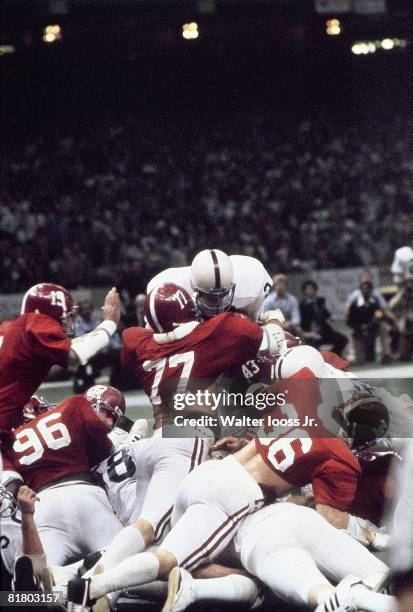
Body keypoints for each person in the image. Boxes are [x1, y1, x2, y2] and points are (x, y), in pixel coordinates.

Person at [166, 502, 394, 612]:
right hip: (299, 516)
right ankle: (361, 594)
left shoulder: (179, 531)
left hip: (260, 539)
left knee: (323, 595)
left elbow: (217, 574)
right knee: (387, 580)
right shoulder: (230, 478)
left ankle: (352, 595)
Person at [2, 385, 125, 565]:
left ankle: (68, 578)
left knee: (35, 585)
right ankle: (87, 570)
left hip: (40, 506)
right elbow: (107, 456)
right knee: (132, 560)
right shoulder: (75, 405)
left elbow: (12, 487)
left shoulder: (6, 439)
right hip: (86, 496)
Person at [0, 283, 120, 431]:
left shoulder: (10, 329)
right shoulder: (35, 322)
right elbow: (74, 354)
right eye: (67, 317)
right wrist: (110, 324)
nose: (70, 322)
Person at [147, 249, 273, 321]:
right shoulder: (167, 289)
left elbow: (254, 325)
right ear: (194, 289)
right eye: (209, 297)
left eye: (223, 294)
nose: (217, 303)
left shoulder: (251, 279)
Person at [346, 272, 393, 365]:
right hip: (358, 328)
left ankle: (386, 355)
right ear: (360, 289)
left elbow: (380, 313)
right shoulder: (354, 301)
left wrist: (373, 322)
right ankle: (356, 356)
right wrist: (360, 327)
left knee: (383, 328)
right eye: (364, 288)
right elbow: (350, 320)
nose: (366, 290)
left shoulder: (375, 299)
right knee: (360, 359)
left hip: (373, 326)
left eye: (368, 288)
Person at [299, 279, 347, 356]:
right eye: (308, 289)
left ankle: (333, 355)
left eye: (312, 289)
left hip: (323, 330)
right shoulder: (302, 305)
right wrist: (305, 333)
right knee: (313, 350)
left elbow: (324, 312)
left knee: (342, 339)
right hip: (311, 332)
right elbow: (302, 321)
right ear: (304, 291)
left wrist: (331, 316)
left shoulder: (320, 301)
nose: (310, 291)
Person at [388, 278, 413, 361]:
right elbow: (391, 305)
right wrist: (401, 293)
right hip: (404, 329)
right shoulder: (400, 297)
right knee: (403, 356)